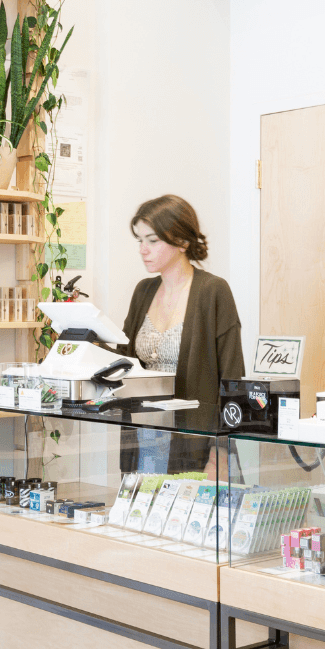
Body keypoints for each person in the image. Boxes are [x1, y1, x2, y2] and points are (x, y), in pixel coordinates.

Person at [117, 195, 245, 474]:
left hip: (194, 438)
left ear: (183, 242)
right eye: (139, 240)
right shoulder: (143, 291)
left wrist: (220, 451)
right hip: (143, 434)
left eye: (152, 240)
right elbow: (122, 359)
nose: (143, 250)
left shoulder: (212, 291)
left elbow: (233, 378)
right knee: (140, 511)